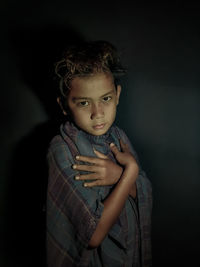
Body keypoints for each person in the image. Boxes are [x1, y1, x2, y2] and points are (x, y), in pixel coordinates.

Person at [46, 40, 152, 267]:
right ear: (64, 105)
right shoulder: (62, 149)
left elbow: (142, 192)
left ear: (117, 94)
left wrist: (119, 177)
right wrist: (129, 172)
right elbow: (92, 235)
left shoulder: (119, 137)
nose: (98, 114)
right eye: (84, 103)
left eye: (105, 99)